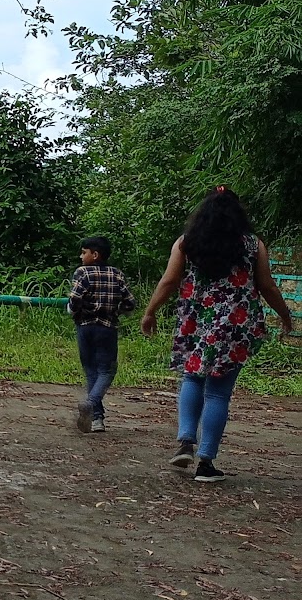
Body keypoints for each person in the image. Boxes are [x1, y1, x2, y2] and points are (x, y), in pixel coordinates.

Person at [140, 187, 294, 483]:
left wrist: (150, 311)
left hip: (195, 320)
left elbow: (170, 280)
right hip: (235, 324)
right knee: (219, 393)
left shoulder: (187, 242)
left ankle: (185, 440)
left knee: (192, 377)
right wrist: (284, 316)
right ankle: (206, 463)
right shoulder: (253, 244)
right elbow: (267, 286)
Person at [67, 235, 136, 433]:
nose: (81, 256)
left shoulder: (83, 273)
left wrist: (73, 312)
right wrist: (116, 310)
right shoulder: (117, 274)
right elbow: (130, 302)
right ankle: (93, 409)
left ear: (95, 255)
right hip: (107, 328)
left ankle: (96, 417)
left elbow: (75, 299)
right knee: (106, 371)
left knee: (91, 370)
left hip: (85, 327)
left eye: (84, 252)